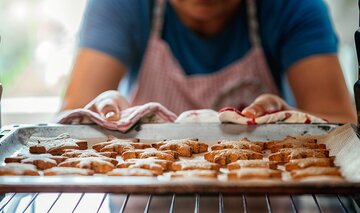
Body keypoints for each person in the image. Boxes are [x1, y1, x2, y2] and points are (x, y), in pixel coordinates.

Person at [62, 0, 356, 123]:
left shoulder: (293, 6)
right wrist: (101, 116)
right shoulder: (120, 5)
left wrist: (292, 124)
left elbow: (340, 127)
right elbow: (71, 121)